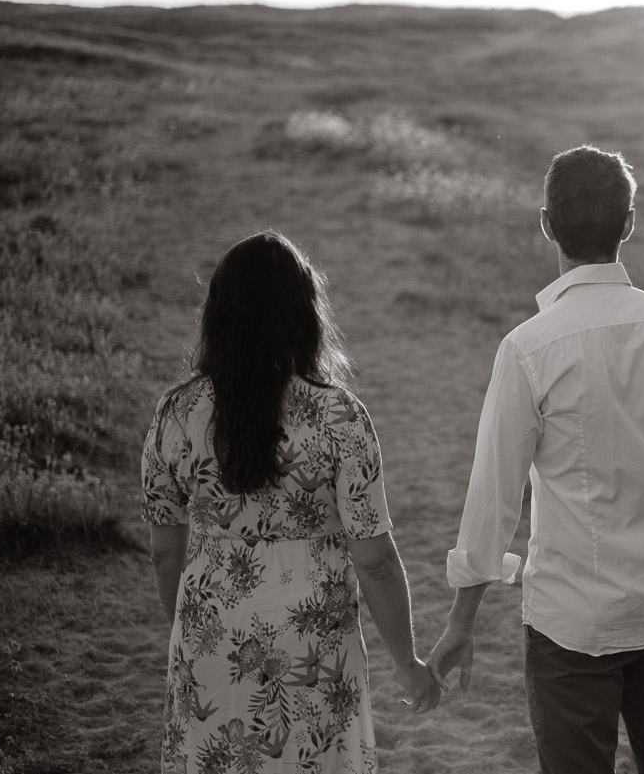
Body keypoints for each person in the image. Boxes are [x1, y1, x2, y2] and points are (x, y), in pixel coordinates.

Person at [427, 146, 644, 774]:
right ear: (629, 223)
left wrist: (462, 620)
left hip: (573, 623)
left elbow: (494, 498)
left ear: (546, 224)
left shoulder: (529, 348)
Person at [142, 230, 438, 774]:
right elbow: (374, 559)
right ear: (304, 314)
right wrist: (408, 663)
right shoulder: (339, 416)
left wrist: (190, 630)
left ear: (219, 314)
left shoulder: (175, 413)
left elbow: (165, 553)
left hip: (210, 635)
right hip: (314, 647)